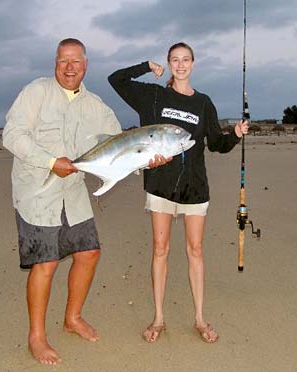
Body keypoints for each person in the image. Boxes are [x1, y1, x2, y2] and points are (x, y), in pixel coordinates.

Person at [108, 42, 249, 343]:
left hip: (195, 188)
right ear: (169, 63)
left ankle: (199, 318)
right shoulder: (154, 96)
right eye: (175, 60)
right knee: (160, 250)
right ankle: (158, 319)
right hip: (160, 185)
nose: (181, 65)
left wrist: (235, 135)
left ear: (193, 64)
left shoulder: (204, 103)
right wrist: (146, 66)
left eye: (186, 60)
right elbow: (116, 80)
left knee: (195, 251)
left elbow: (216, 144)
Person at [3, 38, 126, 365]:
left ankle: (72, 318)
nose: (69, 67)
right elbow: (12, 135)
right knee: (46, 262)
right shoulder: (36, 92)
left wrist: (148, 156)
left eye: (76, 61)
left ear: (85, 65)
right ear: (55, 64)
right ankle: (37, 336)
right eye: (63, 61)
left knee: (89, 253)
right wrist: (49, 161)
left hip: (73, 191)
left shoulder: (96, 105)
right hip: (36, 191)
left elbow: (119, 143)